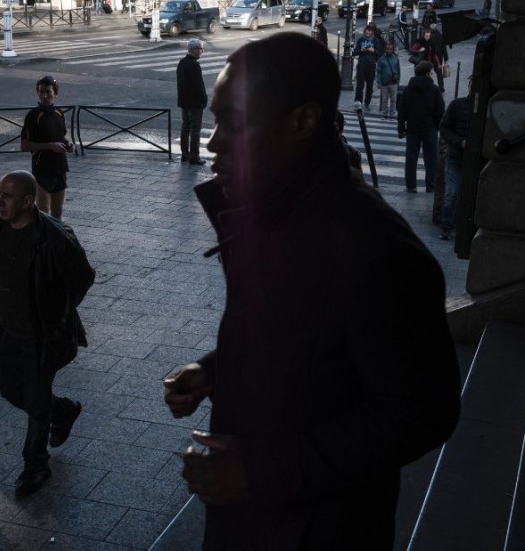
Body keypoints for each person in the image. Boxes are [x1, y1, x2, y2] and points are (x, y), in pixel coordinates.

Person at [163, 32, 460, 549]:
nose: (213, 143)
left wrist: (260, 472)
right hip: (260, 517)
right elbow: (301, 332)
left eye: (233, 122)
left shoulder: (375, 247)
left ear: (303, 121)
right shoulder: (273, 214)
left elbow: (420, 411)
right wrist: (217, 369)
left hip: (318, 528)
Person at [0, 170, 95, 498]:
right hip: (10, 332)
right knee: (9, 390)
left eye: (7, 197)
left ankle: (35, 465)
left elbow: (83, 277)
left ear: (27, 201)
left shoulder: (54, 236)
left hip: (41, 335)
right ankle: (62, 410)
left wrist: (56, 316)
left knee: (35, 401)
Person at [20, 76, 76, 220]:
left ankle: (56, 240)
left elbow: (60, 137)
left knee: (58, 212)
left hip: (60, 167)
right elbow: (24, 145)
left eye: (48, 92)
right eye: (41, 92)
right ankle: (44, 240)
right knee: (43, 212)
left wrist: (68, 144)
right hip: (41, 168)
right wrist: (49, 146)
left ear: (55, 94)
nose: (44, 96)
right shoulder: (33, 116)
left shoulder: (59, 113)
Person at [398, 61, 444, 193]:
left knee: (411, 157)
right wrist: (437, 125)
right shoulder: (434, 90)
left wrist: (401, 128)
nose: (433, 75)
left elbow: (402, 110)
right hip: (430, 128)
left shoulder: (408, 89)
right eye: (431, 73)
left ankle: (411, 185)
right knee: (431, 159)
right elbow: (440, 110)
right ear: (426, 73)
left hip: (412, 128)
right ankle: (431, 185)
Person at [438, 77, 472, 240]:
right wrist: (459, 142)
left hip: (473, 159)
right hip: (456, 155)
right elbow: (444, 127)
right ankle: (446, 226)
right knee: (451, 192)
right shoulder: (457, 105)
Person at [176, 38, 208, 165]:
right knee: (195, 129)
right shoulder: (194, 65)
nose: (202, 51)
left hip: (184, 101)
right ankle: (194, 157)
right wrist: (204, 99)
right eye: (200, 49)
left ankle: (185, 154)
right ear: (194, 50)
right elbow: (198, 86)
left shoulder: (182, 62)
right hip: (195, 103)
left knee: (185, 127)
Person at [352, 24, 382, 110]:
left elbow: (379, 53)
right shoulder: (360, 40)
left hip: (371, 65)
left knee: (369, 85)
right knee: (359, 85)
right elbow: (354, 52)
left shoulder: (375, 40)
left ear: (372, 32)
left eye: (369, 33)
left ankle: (367, 102)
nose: (367, 34)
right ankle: (358, 102)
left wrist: (373, 50)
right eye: (366, 33)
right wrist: (361, 50)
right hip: (361, 64)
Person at [410, 28, 444, 93]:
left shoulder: (431, 42)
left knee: (435, 74)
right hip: (420, 63)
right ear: (423, 35)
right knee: (420, 77)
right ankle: (420, 90)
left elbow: (434, 54)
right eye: (426, 36)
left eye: (429, 36)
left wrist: (438, 63)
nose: (427, 37)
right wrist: (419, 50)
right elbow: (411, 50)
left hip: (429, 62)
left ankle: (440, 88)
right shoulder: (419, 42)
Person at [376, 42, 401, 119]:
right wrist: (379, 82)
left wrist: (398, 82)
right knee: (384, 99)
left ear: (393, 50)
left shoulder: (396, 59)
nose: (389, 50)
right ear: (384, 50)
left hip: (393, 82)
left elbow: (398, 71)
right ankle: (384, 113)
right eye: (387, 49)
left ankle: (392, 113)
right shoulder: (381, 59)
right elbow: (379, 71)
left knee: (393, 99)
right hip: (384, 82)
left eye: (390, 49)